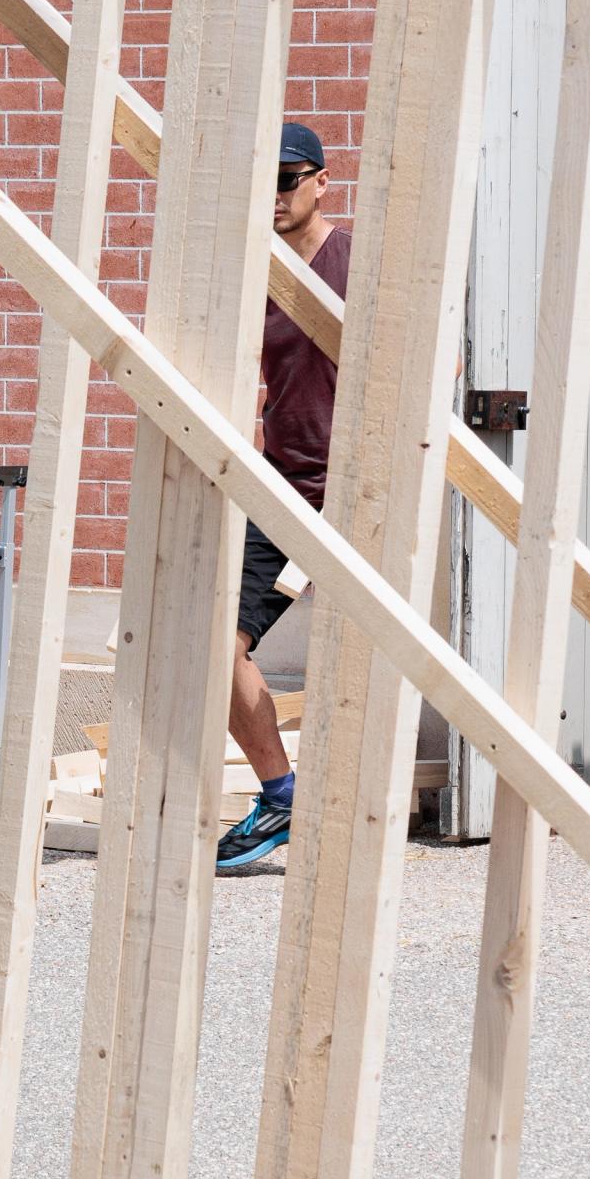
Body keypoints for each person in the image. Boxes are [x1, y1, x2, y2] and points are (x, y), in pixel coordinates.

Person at [218, 120, 353, 876]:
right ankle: (281, 795)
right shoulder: (259, 270)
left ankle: (354, 813)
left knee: (362, 658)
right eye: (261, 182)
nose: (272, 195)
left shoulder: (352, 260)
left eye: (286, 180)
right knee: (216, 642)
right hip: (285, 482)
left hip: (358, 488)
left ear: (321, 183)